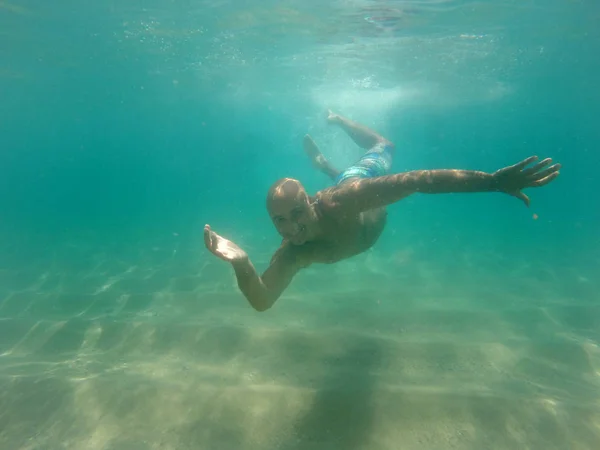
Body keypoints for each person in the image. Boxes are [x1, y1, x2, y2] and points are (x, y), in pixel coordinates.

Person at [204, 110, 560, 312]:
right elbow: (263, 301)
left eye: (296, 213)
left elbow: (419, 179)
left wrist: (493, 181)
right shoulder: (293, 253)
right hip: (345, 185)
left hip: (359, 180)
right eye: (278, 220)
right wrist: (242, 264)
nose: (289, 229)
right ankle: (325, 165)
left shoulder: (341, 203)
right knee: (339, 174)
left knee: (382, 147)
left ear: (310, 202)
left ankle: (339, 121)